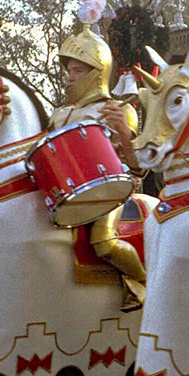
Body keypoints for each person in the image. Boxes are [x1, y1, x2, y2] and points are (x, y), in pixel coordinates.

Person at [50, 26, 147, 311]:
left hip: (108, 191)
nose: (70, 76)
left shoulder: (119, 109)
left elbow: (138, 167)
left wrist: (125, 134)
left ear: (97, 71)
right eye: (69, 69)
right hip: (64, 192)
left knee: (103, 241)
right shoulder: (59, 115)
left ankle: (142, 282)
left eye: (78, 70)